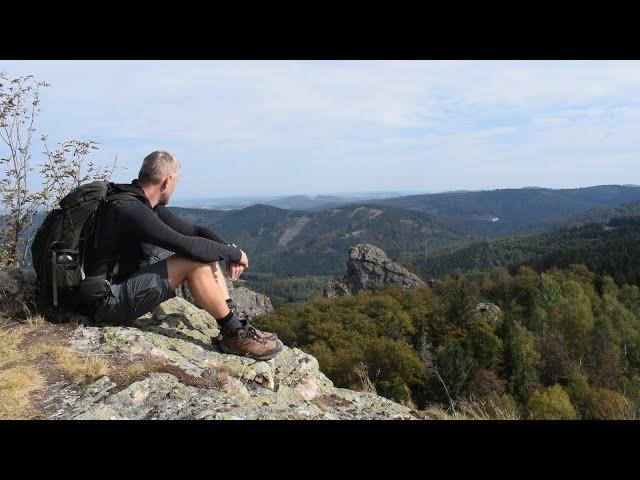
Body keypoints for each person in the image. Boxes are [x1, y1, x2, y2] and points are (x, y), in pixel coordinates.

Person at [83, 150, 282, 361]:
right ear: (167, 181)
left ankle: (236, 324)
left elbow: (196, 232)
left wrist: (228, 249)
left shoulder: (142, 204)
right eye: (176, 181)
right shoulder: (131, 210)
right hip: (105, 304)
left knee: (207, 251)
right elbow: (187, 246)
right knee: (194, 259)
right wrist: (236, 253)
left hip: (116, 290)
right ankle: (234, 333)